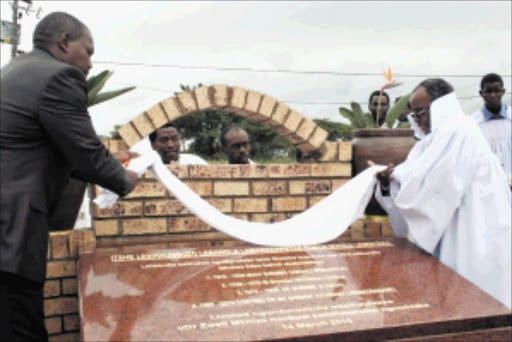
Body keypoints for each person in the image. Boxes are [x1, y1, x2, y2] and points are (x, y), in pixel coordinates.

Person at [0, 12, 139, 341]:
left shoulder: (13, 71)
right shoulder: (59, 77)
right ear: (64, 42)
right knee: (20, 329)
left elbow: (42, 146)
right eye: (88, 51)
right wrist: (126, 178)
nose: (90, 64)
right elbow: (86, 151)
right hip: (10, 234)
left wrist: (108, 159)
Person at [372, 78, 511, 309]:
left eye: (420, 112)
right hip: (451, 233)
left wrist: (396, 176)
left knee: (477, 302)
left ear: (440, 106)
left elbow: (436, 183)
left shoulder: (460, 130)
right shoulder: (429, 142)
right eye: (414, 115)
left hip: (476, 233)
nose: (417, 120)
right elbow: (415, 176)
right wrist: (388, 181)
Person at [471, 73, 511, 182]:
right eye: (488, 91)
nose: (493, 95)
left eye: (497, 91)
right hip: (487, 184)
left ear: (503, 92)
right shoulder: (474, 123)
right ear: (481, 93)